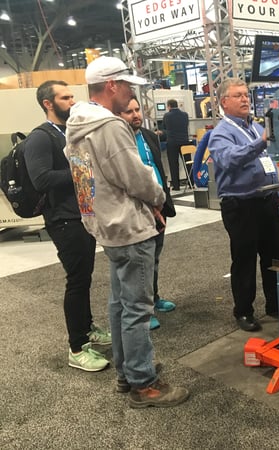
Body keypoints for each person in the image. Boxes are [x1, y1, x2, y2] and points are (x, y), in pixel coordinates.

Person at [65, 56, 189, 408]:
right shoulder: (109, 126)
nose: (132, 93)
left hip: (106, 225)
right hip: (130, 226)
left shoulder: (77, 125)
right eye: (129, 85)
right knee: (136, 309)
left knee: (120, 306)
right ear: (112, 86)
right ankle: (143, 383)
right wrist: (159, 199)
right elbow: (136, 178)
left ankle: (128, 371)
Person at [23, 80, 111, 372]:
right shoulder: (40, 137)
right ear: (48, 103)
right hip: (63, 220)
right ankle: (76, 347)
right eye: (65, 97)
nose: (72, 101)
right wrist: (82, 169)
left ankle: (87, 328)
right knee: (76, 280)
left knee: (84, 277)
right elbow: (41, 179)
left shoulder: (69, 132)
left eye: (73, 96)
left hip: (82, 214)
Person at [208, 78, 279, 332]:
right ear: (224, 102)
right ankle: (243, 311)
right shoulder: (221, 133)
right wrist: (262, 141)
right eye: (238, 95)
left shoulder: (254, 127)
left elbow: (268, 160)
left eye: (246, 95)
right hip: (241, 206)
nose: (245, 99)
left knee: (274, 256)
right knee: (245, 260)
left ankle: (275, 304)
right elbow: (229, 159)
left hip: (268, 200)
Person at [119, 96, 177, 331]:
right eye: (128, 111)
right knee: (138, 262)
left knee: (153, 258)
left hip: (158, 205)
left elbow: (157, 168)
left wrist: (163, 201)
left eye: (137, 110)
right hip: (135, 209)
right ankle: (142, 310)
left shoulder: (149, 136)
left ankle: (153, 299)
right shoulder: (119, 142)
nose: (135, 115)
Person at [162, 99, 189, 191]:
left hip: (172, 142)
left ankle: (176, 186)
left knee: (173, 164)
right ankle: (191, 183)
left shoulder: (167, 116)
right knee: (188, 163)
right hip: (185, 142)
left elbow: (164, 128)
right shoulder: (185, 115)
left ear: (169, 106)